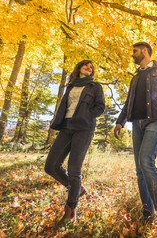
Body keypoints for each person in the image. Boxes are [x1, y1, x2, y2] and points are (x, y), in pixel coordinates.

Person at [114, 42, 157, 234]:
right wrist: (120, 121)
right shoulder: (135, 78)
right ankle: (147, 212)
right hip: (137, 123)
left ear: (144, 51)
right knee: (139, 170)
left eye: (134, 51)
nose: (132, 55)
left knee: (146, 161)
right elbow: (129, 102)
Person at [45, 60, 105, 225]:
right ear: (79, 68)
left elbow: (101, 107)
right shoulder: (70, 86)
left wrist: (85, 115)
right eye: (86, 65)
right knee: (50, 166)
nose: (89, 67)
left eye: (92, 67)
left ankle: (70, 209)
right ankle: (77, 189)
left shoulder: (95, 86)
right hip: (66, 127)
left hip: (83, 129)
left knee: (74, 169)